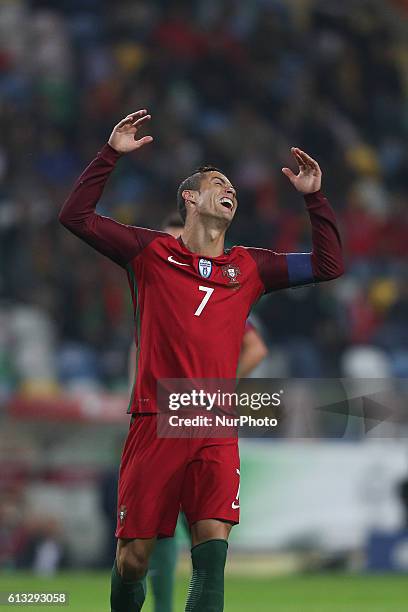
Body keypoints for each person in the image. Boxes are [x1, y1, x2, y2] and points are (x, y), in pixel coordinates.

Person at [59, 109, 344, 611]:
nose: (228, 188)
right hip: (154, 420)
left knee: (212, 553)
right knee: (134, 559)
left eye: (231, 185)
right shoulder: (149, 253)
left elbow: (329, 265)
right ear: (190, 197)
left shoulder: (249, 267)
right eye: (217, 182)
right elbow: (75, 218)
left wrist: (314, 198)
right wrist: (109, 156)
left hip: (212, 420)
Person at [128, 212, 268, 612]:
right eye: (169, 242)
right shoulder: (153, 283)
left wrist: (210, 390)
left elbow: (255, 347)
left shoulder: (217, 288)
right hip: (152, 417)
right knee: (148, 542)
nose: (175, 251)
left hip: (194, 417)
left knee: (191, 536)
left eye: (178, 241)